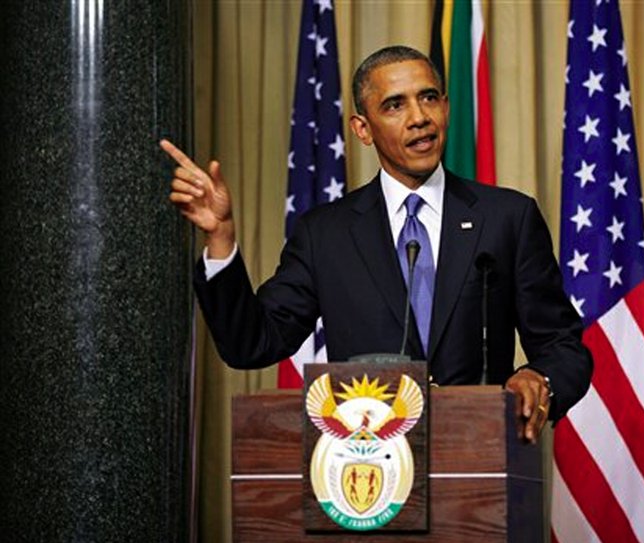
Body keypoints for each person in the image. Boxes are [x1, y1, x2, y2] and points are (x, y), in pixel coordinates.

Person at [161, 46, 592, 443]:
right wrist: (220, 238)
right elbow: (252, 344)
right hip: (365, 475)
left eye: (428, 98)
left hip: (478, 463)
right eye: (395, 105)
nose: (419, 117)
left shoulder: (507, 218)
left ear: (445, 107)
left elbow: (562, 346)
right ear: (362, 129)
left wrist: (541, 379)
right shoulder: (324, 234)